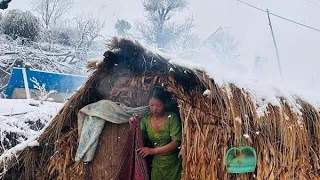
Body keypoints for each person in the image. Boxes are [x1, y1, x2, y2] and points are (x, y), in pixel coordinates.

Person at [129, 87, 182, 180]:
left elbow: (176, 142)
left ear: (165, 104)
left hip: (174, 164)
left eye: (158, 105)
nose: (154, 109)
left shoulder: (172, 118)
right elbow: (139, 138)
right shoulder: (145, 120)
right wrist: (133, 125)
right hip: (157, 165)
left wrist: (152, 151)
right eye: (151, 105)